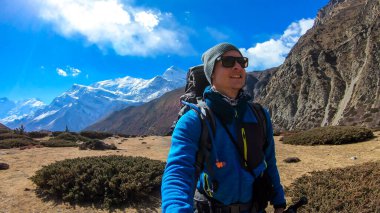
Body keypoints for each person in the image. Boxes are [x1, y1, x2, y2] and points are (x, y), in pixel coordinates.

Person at [161, 43, 286, 213]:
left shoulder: (260, 116)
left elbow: (269, 162)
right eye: (228, 61)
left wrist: (279, 202)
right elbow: (178, 173)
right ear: (211, 71)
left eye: (241, 62)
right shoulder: (194, 120)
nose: (237, 66)